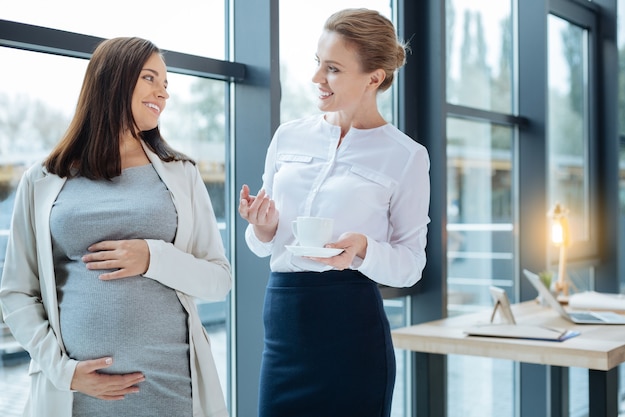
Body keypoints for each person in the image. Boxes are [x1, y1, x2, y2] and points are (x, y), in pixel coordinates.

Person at [0, 37, 231, 417]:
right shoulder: (42, 179)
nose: (164, 93)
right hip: (74, 394)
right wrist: (65, 372)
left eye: (166, 84)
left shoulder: (182, 173)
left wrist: (153, 257)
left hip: (170, 388)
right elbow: (16, 293)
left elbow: (218, 280)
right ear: (114, 79)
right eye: (151, 78)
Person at [239, 8, 430, 417]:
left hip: (352, 327)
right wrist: (264, 227)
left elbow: (411, 265)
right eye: (317, 64)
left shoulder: (406, 157)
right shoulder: (288, 136)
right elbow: (260, 244)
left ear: (374, 78)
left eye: (333, 69)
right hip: (284, 323)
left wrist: (364, 249)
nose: (316, 79)